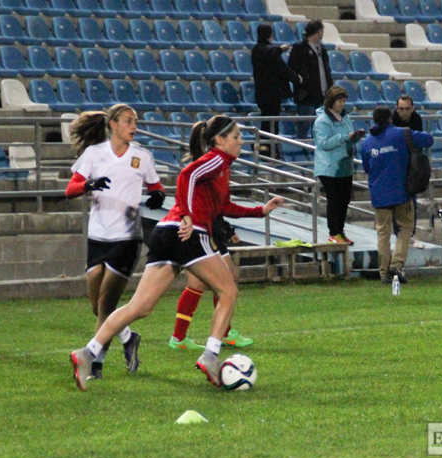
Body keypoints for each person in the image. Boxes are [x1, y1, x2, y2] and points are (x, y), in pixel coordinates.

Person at [69, 115, 284, 390]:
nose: (242, 141)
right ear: (219, 140)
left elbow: (222, 206)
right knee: (228, 291)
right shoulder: (217, 159)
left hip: (166, 232)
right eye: (236, 136)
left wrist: (259, 211)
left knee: (140, 307)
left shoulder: (222, 168)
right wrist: (187, 214)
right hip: (187, 233)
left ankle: (86, 353)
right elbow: (186, 175)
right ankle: (211, 356)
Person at [65, 104, 167, 380]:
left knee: (107, 301)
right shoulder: (94, 154)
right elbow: (70, 189)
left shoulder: (142, 156)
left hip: (127, 238)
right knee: (98, 307)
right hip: (97, 236)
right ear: (112, 124)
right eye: (127, 121)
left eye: (135, 122)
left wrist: (157, 196)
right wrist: (88, 186)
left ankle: (95, 363)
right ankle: (128, 338)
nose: (133, 126)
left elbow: (157, 188)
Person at [361, 106, 433, 284]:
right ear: (390, 118)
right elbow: (429, 140)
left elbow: (366, 168)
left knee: (383, 233)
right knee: (405, 228)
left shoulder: (366, 143)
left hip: (379, 194)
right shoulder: (402, 133)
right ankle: (397, 264)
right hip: (402, 191)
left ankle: (384, 273)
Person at [169, 216, 254, 350]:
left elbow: (215, 208)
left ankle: (181, 337)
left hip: (209, 231)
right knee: (212, 284)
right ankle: (180, 338)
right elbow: (212, 207)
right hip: (202, 231)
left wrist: (227, 230)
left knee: (217, 282)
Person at [313, 85, 365, 245]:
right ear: (331, 101)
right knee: (334, 201)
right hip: (329, 169)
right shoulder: (322, 121)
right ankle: (333, 233)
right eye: (339, 101)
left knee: (344, 200)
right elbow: (324, 143)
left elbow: (348, 139)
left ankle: (340, 231)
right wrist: (344, 137)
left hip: (345, 167)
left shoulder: (346, 118)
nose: (342, 104)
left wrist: (355, 137)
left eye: (344, 101)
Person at [251, 23, 301, 158]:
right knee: (273, 124)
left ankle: (263, 146)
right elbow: (282, 69)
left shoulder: (256, 49)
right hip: (272, 94)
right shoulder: (270, 51)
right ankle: (268, 150)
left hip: (261, 93)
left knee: (266, 121)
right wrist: (297, 78)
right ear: (270, 35)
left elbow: (267, 54)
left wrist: (279, 49)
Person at [287, 19, 333, 141]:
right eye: (322, 30)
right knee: (303, 128)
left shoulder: (322, 49)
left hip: (322, 95)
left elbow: (326, 69)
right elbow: (292, 68)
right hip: (306, 97)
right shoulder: (299, 48)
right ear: (318, 31)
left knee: (320, 130)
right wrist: (303, 82)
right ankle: (301, 155)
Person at [390, 94, 425, 249]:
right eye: (401, 109)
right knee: (396, 202)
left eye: (407, 109)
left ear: (413, 108)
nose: (404, 112)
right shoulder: (391, 120)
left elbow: (418, 144)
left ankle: (410, 233)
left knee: (411, 200)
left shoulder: (416, 119)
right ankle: (398, 233)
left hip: (411, 165)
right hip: (395, 164)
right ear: (397, 108)